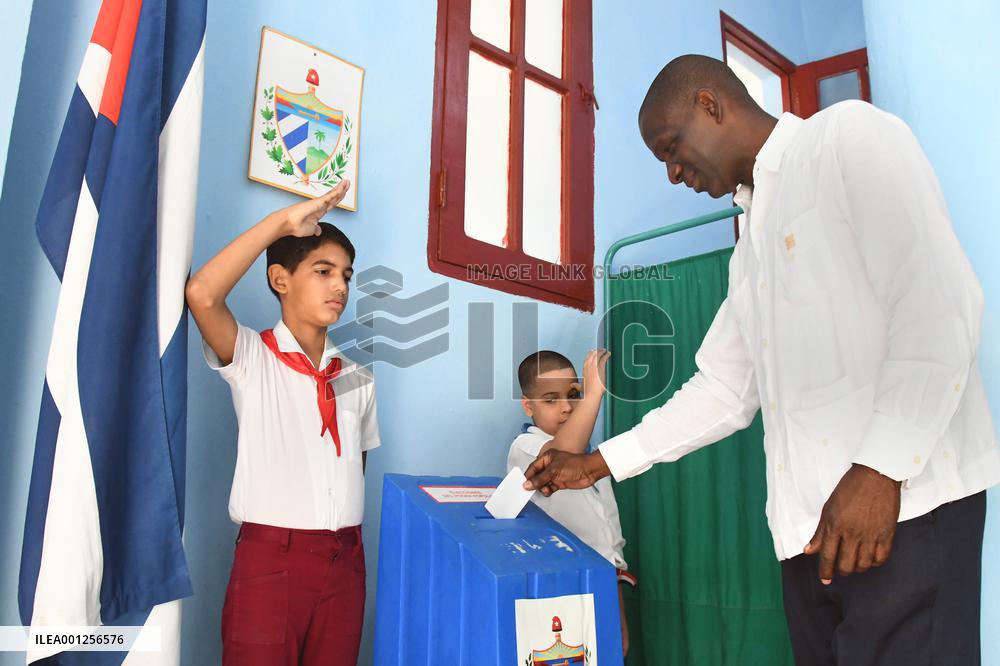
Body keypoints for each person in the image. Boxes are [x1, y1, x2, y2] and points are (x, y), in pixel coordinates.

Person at [523, 55, 999, 666]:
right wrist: (598, 462)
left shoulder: (845, 140)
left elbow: (940, 301)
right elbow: (722, 389)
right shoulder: (750, 252)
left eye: (671, 148)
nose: (672, 174)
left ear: (710, 104)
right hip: (811, 539)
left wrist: (880, 468)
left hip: (905, 510)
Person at [186, 180, 381, 665]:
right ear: (280, 279)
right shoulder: (254, 357)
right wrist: (282, 223)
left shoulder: (358, 379)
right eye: (323, 270)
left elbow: (354, 468)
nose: (340, 286)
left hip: (346, 563)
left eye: (347, 275)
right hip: (273, 562)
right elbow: (202, 294)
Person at [509, 349, 634, 656]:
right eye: (551, 400)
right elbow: (558, 457)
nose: (566, 407)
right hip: (561, 581)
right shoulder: (526, 448)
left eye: (574, 395)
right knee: (570, 655)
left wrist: (616, 579)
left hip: (605, 573)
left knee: (614, 649)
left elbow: (606, 530)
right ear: (528, 406)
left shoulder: (593, 459)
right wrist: (593, 395)